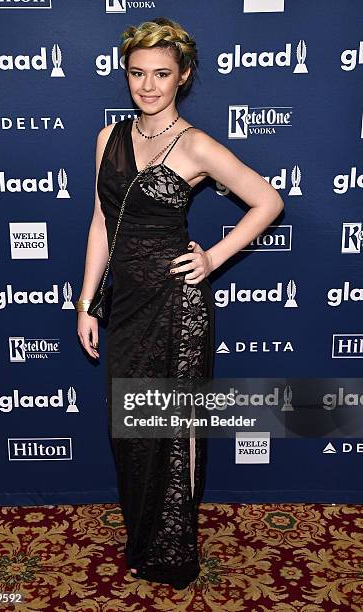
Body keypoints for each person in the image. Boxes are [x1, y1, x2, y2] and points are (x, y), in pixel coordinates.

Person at [76, 17, 284, 590]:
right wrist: (87, 301)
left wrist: (212, 260)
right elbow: (101, 224)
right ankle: (144, 534)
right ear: (126, 75)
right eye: (138, 73)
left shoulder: (194, 144)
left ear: (183, 76)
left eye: (161, 74)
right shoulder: (108, 139)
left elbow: (268, 200)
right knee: (132, 430)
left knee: (175, 428)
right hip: (126, 306)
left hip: (176, 306)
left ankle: (173, 546)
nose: (148, 86)